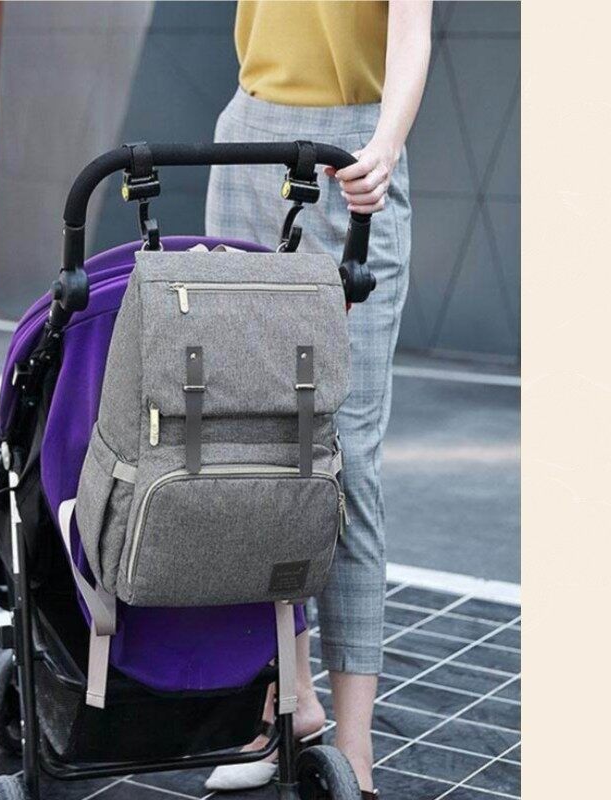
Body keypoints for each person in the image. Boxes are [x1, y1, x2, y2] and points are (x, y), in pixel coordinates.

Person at [204, 1, 432, 796]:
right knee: (260, 447)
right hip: (247, 140)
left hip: (357, 153)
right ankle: (291, 698)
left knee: (347, 460)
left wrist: (385, 146)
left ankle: (356, 749)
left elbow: (412, 32)